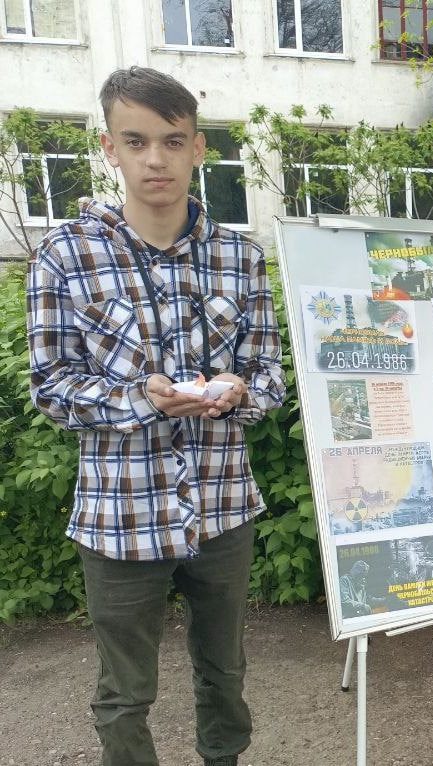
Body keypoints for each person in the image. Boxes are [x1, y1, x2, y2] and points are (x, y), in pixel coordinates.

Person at [26, 67, 285, 766]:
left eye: (172, 141)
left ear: (198, 147)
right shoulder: (66, 257)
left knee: (225, 675)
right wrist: (140, 398)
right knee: (123, 691)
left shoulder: (242, 259)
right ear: (109, 147)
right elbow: (50, 386)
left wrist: (237, 389)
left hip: (223, 508)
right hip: (118, 517)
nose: (155, 159)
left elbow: (270, 376)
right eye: (135, 140)